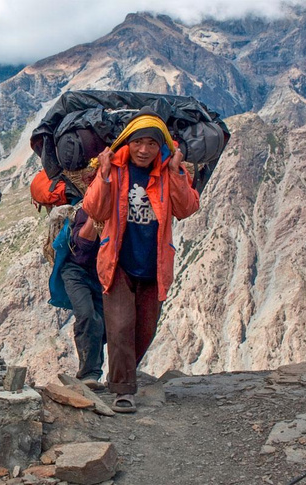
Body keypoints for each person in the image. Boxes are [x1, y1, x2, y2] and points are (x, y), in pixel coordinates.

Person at [82, 107, 200, 413]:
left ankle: (120, 376)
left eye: (151, 143)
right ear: (128, 143)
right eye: (138, 143)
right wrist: (105, 175)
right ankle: (123, 390)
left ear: (160, 145)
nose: (144, 150)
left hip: (155, 264)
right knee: (121, 326)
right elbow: (95, 209)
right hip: (118, 261)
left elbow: (186, 208)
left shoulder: (169, 171)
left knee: (145, 329)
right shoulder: (115, 169)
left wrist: (175, 172)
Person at [59, 205, 106, 390]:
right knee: (86, 314)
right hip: (76, 271)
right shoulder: (84, 211)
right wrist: (97, 214)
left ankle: (94, 372)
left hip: (102, 273)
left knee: (102, 323)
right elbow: (84, 244)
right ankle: (88, 374)